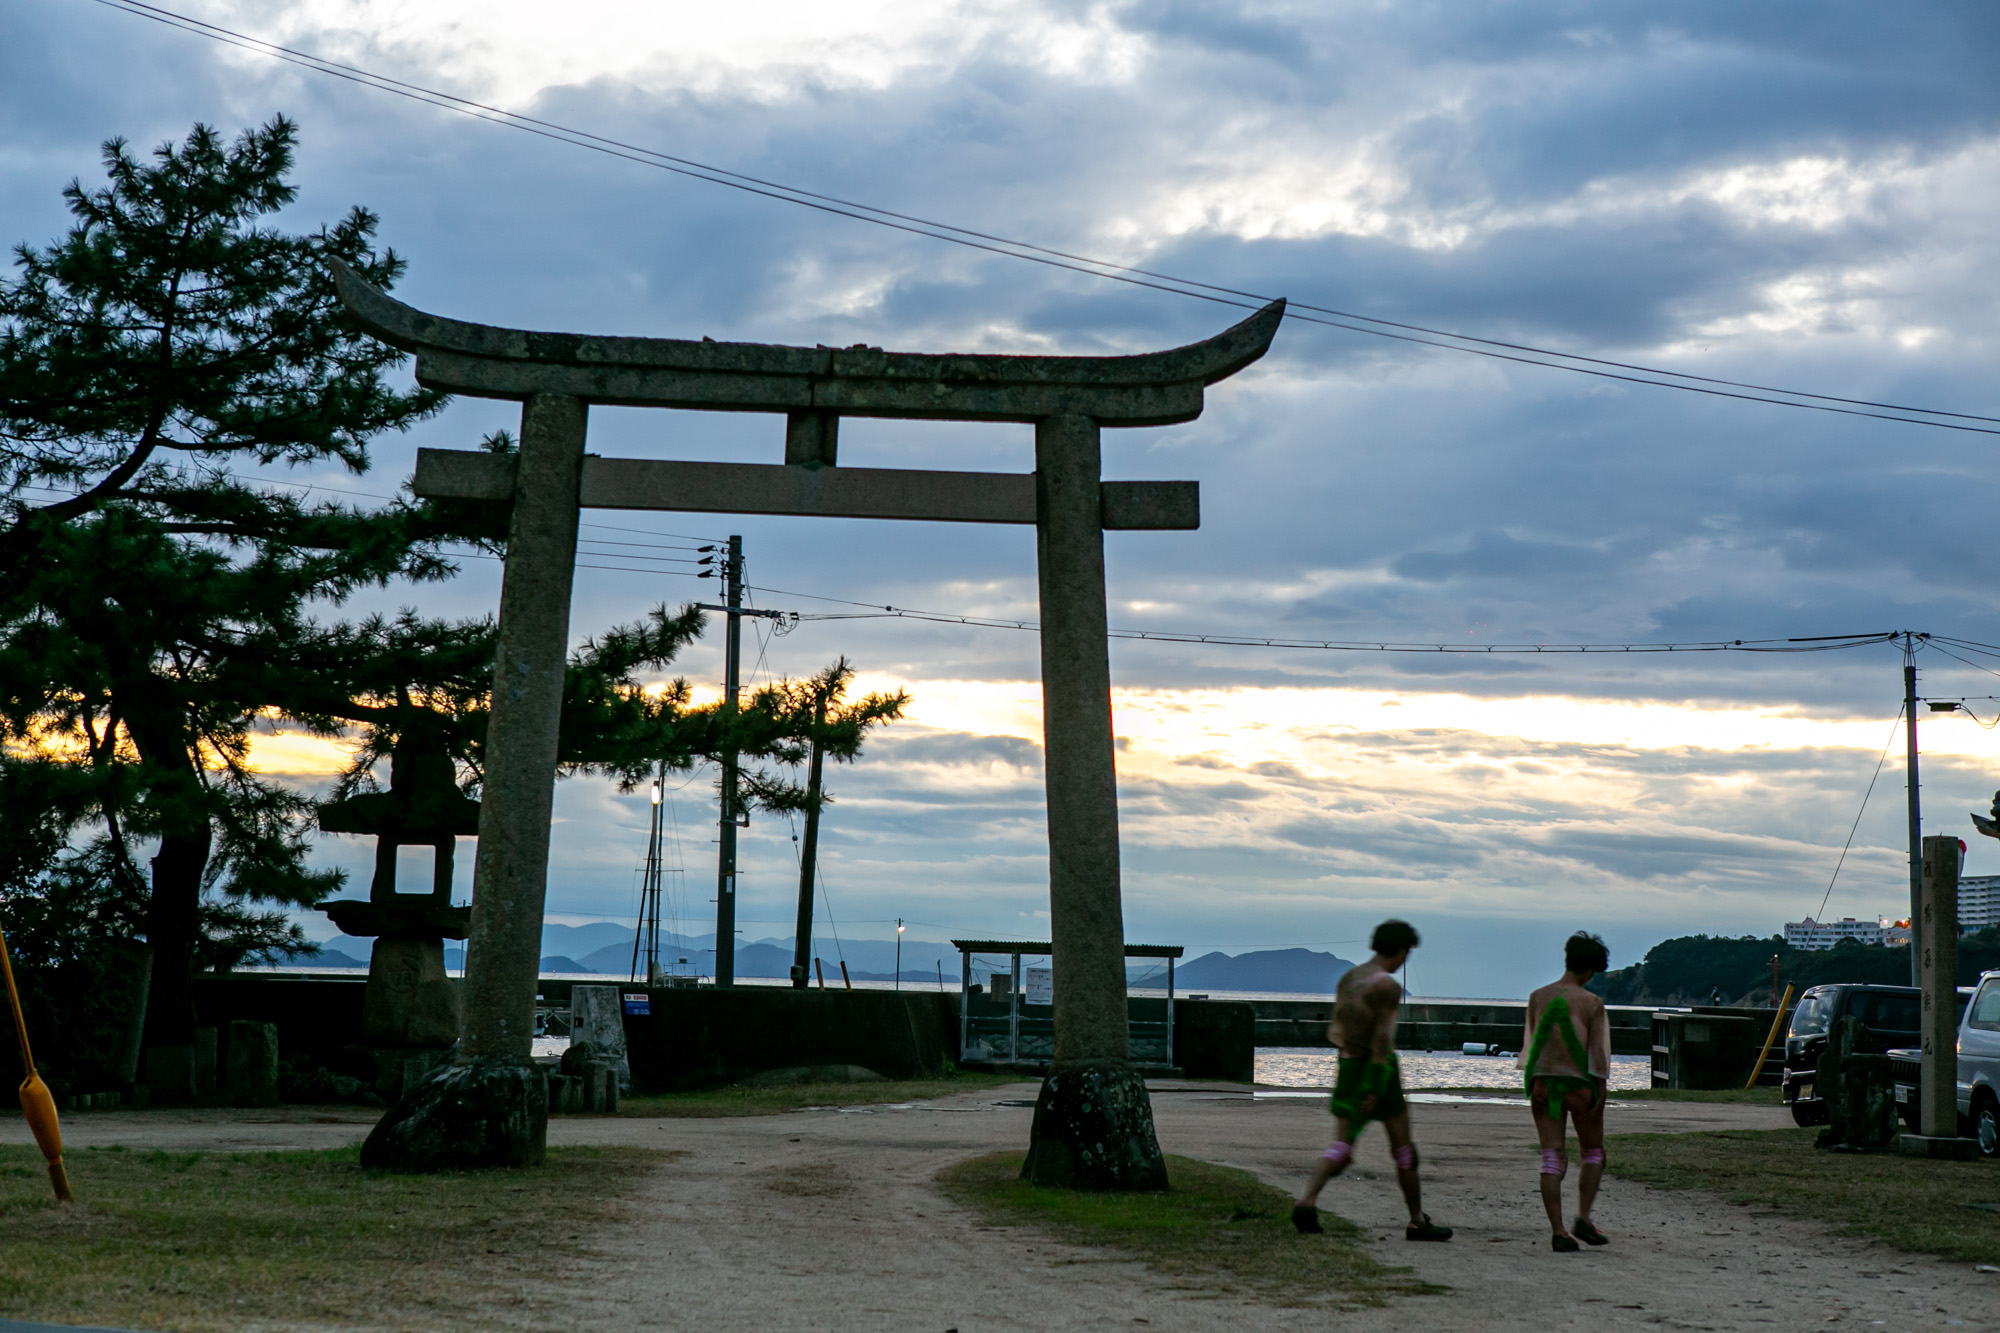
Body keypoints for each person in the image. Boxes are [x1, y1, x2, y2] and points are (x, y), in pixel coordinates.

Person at [1291, 919, 1451, 1241]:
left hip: (1348, 1065)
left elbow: (1339, 1030)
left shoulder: (1350, 978)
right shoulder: (1386, 987)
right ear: (1402, 951)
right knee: (1404, 1151)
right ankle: (1417, 1221)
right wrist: (1374, 1086)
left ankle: (1307, 1199)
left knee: (1341, 1149)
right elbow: (1381, 1039)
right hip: (1377, 1072)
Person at [1520, 931, 1614, 1252]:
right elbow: (1598, 1056)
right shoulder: (1591, 1003)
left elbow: (1531, 1047)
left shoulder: (1537, 997)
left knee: (1552, 1157)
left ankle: (1558, 1230)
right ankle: (1583, 1218)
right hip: (1579, 1087)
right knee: (1593, 1153)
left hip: (1544, 1085)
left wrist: (1532, 1083)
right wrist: (1600, 1091)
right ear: (1588, 971)